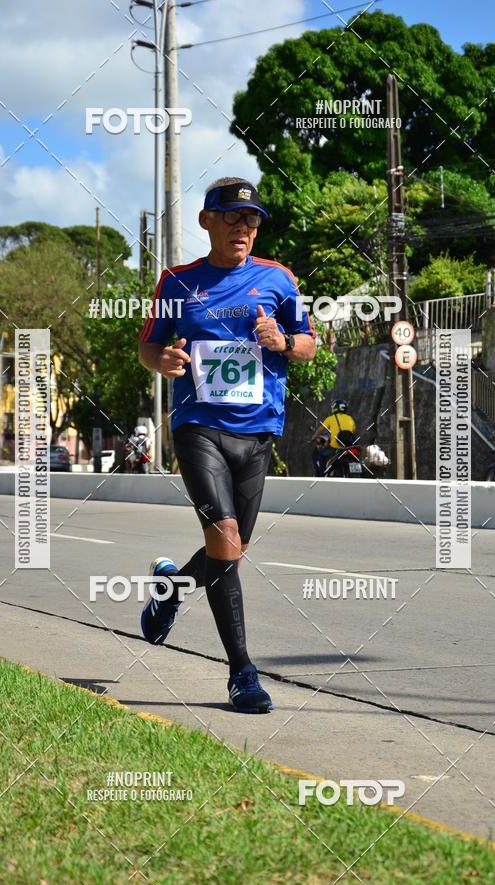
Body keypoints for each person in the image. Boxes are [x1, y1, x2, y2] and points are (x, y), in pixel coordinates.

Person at [138, 177, 316, 713]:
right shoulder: (176, 283)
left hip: (259, 430)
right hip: (198, 426)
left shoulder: (278, 279)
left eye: (252, 220)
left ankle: (170, 590)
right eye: (233, 217)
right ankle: (242, 672)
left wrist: (285, 342)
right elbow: (148, 347)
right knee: (225, 537)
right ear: (207, 221)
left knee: (230, 550)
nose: (244, 228)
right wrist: (162, 361)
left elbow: (308, 344)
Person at [311, 400, 356, 476]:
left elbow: (320, 430)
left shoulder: (330, 418)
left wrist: (313, 437)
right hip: (348, 446)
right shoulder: (350, 418)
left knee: (321, 454)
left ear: (334, 408)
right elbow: (353, 430)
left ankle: (321, 475)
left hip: (336, 446)